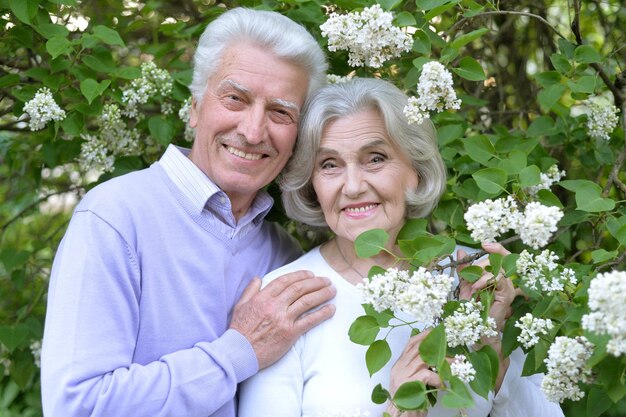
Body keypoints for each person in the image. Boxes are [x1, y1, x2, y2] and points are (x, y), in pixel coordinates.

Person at [41, 8, 337, 417]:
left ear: (297, 137)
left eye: (280, 112)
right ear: (195, 106)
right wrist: (239, 351)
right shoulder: (114, 218)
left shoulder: (283, 256)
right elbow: (78, 406)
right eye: (236, 98)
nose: (253, 131)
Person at [238, 78, 564, 417]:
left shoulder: (475, 276)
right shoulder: (287, 300)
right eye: (329, 164)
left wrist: (492, 348)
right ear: (312, 184)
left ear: (417, 171)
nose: (352, 186)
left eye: (375, 158)